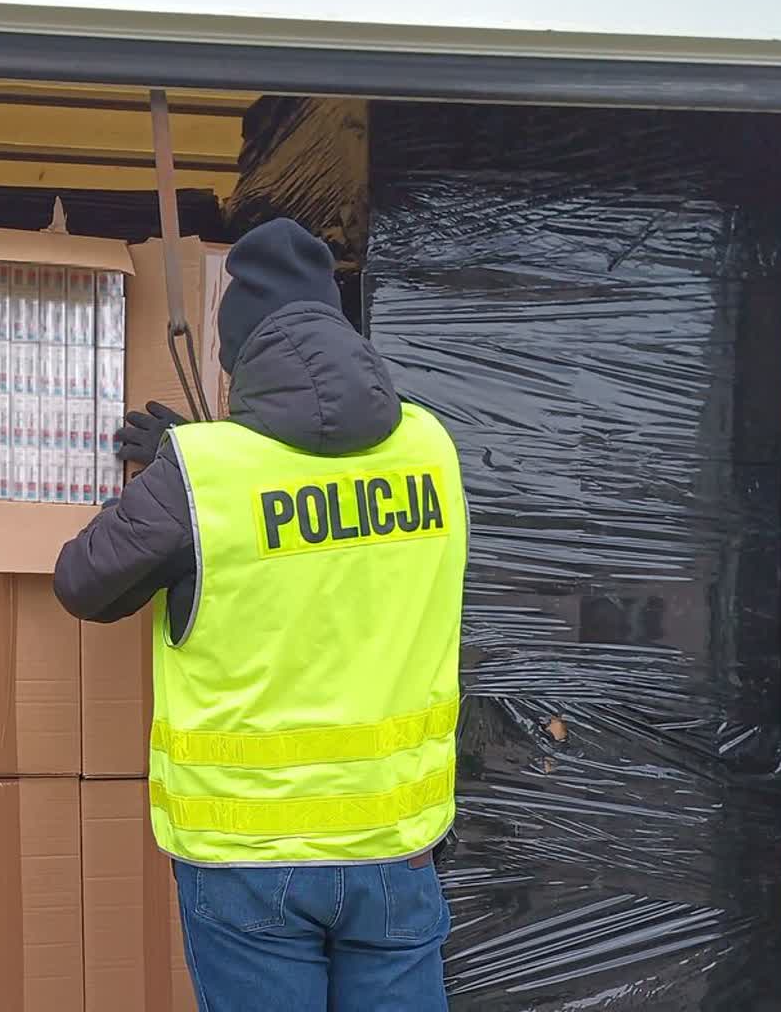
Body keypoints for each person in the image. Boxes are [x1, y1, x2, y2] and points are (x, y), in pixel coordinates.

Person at [53, 218, 469, 1011]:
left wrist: (179, 473)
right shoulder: (431, 448)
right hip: (396, 850)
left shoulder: (203, 475)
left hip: (251, 862)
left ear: (237, 356)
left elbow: (83, 581)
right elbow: (330, 523)